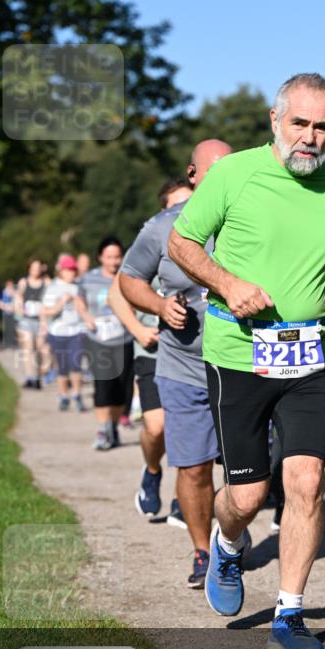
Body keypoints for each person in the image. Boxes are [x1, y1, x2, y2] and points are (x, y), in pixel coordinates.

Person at [169, 72, 325, 649]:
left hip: (310, 355)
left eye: (322, 126)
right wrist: (227, 283)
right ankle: (228, 544)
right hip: (239, 355)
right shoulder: (233, 174)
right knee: (248, 496)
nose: (310, 136)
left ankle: (290, 611)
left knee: (305, 483)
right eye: (299, 122)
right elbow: (182, 242)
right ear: (274, 121)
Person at [119, 142, 233, 589]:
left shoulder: (250, 222)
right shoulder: (163, 227)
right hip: (183, 364)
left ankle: (232, 537)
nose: (223, 180)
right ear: (192, 174)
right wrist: (160, 307)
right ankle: (204, 551)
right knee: (193, 467)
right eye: (214, 171)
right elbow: (129, 279)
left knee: (253, 472)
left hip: (243, 364)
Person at [108, 176, 195, 530]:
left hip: (193, 350)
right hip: (153, 348)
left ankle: (183, 498)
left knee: (190, 429)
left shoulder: (210, 241)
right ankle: (153, 469)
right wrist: (138, 329)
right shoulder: (152, 239)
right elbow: (116, 294)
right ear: (164, 209)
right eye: (176, 204)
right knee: (157, 427)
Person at [78, 237, 134, 450]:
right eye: (109, 257)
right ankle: (102, 430)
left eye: (117, 256)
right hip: (98, 338)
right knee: (102, 384)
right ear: (100, 257)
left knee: (121, 388)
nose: (113, 261)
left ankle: (113, 426)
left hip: (124, 337)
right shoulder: (88, 278)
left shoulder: (129, 276)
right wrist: (86, 317)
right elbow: (78, 299)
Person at [41, 255, 87, 412]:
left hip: (77, 331)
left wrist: (79, 302)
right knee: (62, 368)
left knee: (76, 365)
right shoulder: (53, 287)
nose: (72, 273)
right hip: (58, 333)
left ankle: (77, 394)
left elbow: (84, 309)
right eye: (69, 270)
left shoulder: (78, 287)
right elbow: (47, 311)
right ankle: (63, 396)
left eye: (74, 269)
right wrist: (62, 301)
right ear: (61, 271)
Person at [14, 259, 51, 389]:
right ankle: (31, 378)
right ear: (29, 268)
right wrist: (19, 307)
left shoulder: (46, 282)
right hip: (26, 320)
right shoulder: (24, 282)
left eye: (38, 267)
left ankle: (41, 374)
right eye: (33, 267)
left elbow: (51, 297)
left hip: (41, 320)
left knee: (41, 349)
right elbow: (18, 297)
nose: (35, 270)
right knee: (29, 349)